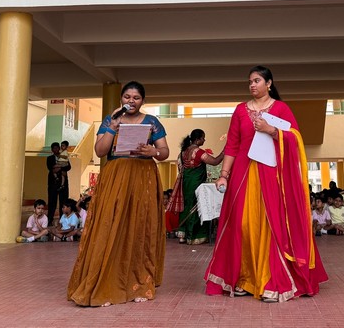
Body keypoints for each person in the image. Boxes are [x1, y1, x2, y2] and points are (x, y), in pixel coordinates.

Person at [205, 66, 327, 302]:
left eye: (257, 80)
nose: (252, 85)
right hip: (242, 173)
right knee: (242, 225)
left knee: (271, 226)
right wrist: (224, 174)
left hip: (271, 174)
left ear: (269, 83)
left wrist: (272, 130)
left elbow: (295, 138)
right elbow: (232, 145)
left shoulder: (281, 108)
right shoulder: (240, 110)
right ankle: (243, 278)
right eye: (250, 81)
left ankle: (271, 282)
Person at [67, 81, 170, 307]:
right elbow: (100, 151)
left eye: (136, 98)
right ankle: (105, 280)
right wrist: (113, 127)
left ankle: (140, 283)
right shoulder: (110, 120)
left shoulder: (152, 122)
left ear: (143, 101)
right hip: (116, 176)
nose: (130, 101)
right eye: (127, 97)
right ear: (121, 99)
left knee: (140, 228)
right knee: (110, 224)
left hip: (143, 176)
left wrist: (153, 151)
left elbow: (165, 152)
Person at [168, 129, 224, 245]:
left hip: (185, 183)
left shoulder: (182, 152)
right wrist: (224, 152)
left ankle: (183, 236)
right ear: (197, 140)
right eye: (203, 138)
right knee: (197, 207)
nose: (204, 140)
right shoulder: (198, 152)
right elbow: (214, 162)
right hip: (196, 183)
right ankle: (193, 237)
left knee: (187, 206)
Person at [46, 142, 71, 222]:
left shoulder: (63, 156)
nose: (56, 149)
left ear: (59, 148)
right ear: (52, 149)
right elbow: (50, 167)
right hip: (53, 184)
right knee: (52, 202)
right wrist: (60, 167)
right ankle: (49, 220)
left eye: (57, 148)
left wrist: (59, 168)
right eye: (54, 148)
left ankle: (63, 221)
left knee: (63, 203)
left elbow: (68, 166)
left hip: (63, 184)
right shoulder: (49, 158)